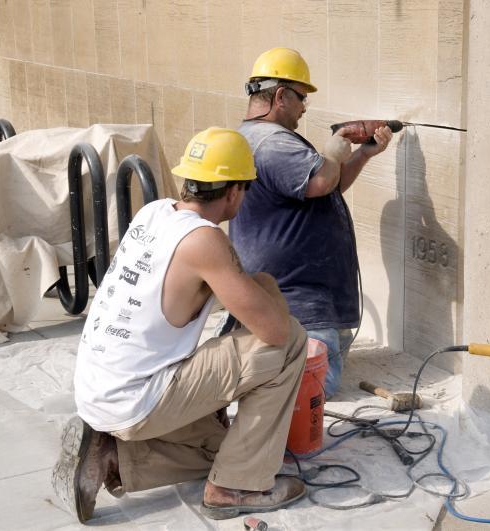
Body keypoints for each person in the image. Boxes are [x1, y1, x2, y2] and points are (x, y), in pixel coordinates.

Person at [52, 127, 309, 522]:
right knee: (291, 340)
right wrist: (270, 294)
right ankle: (232, 487)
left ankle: (114, 457)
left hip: (99, 389)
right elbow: (274, 331)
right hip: (136, 399)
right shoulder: (205, 241)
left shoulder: (154, 211)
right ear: (234, 191)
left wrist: (262, 288)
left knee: (223, 446)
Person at [229, 47, 393, 398]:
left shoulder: (257, 138)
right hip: (297, 299)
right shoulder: (271, 142)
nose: (304, 107)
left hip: (302, 297)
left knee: (317, 368)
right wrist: (335, 146)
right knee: (314, 389)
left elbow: (323, 187)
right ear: (279, 96)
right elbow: (321, 179)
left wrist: (362, 153)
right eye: (302, 97)